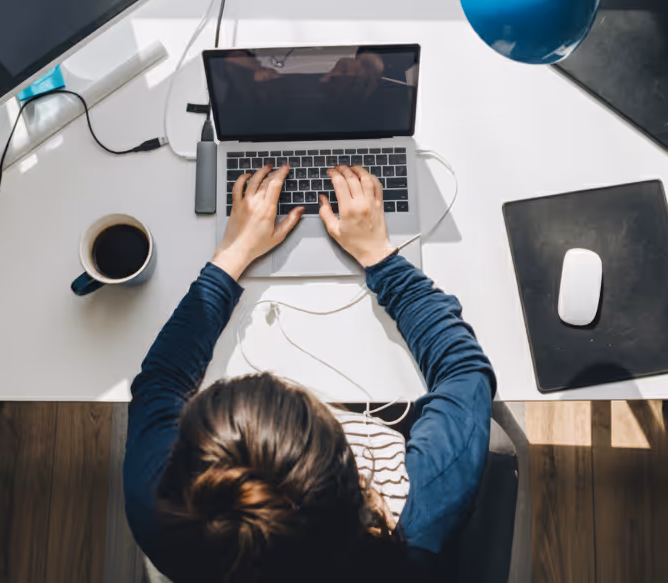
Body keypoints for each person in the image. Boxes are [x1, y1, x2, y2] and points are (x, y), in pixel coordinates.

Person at [124, 163, 496, 582]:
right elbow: (465, 372)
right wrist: (381, 258)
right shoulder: (412, 527)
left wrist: (232, 254)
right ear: (355, 476)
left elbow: (162, 381)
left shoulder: (157, 509)